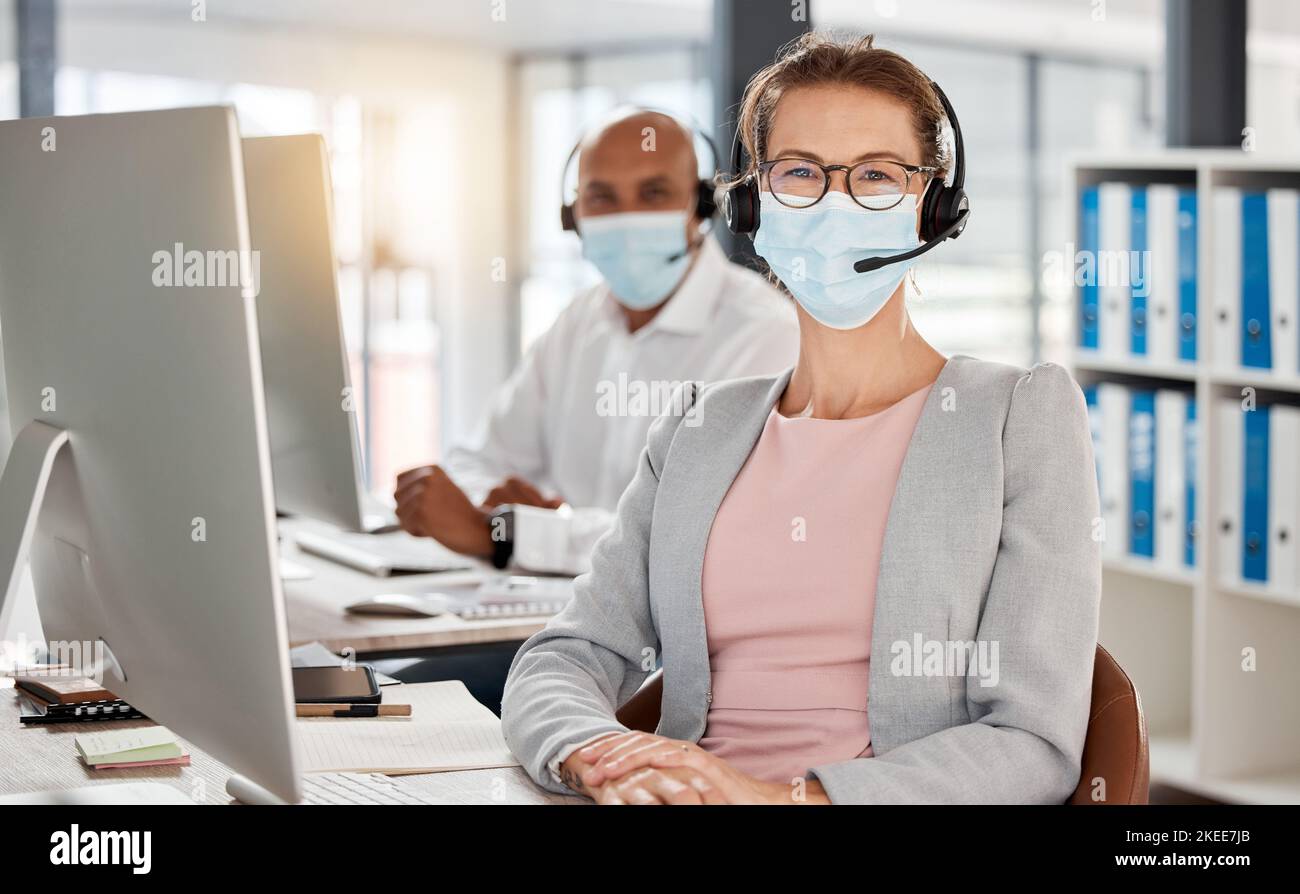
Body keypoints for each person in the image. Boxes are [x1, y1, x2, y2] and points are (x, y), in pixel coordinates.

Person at [500, 32, 1102, 805]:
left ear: (934, 207)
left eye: (877, 176)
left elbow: (1033, 744)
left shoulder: (1017, 417)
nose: (834, 203)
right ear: (753, 203)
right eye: (800, 174)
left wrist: (782, 799)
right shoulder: (700, 429)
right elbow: (568, 654)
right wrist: (599, 754)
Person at [394, 108, 798, 575]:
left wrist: (511, 534)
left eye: (654, 193)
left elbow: (697, 535)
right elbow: (478, 460)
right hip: (551, 615)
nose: (627, 216)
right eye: (601, 197)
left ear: (702, 207)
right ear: (573, 216)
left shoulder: (766, 337)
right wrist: (496, 509)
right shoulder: (578, 323)